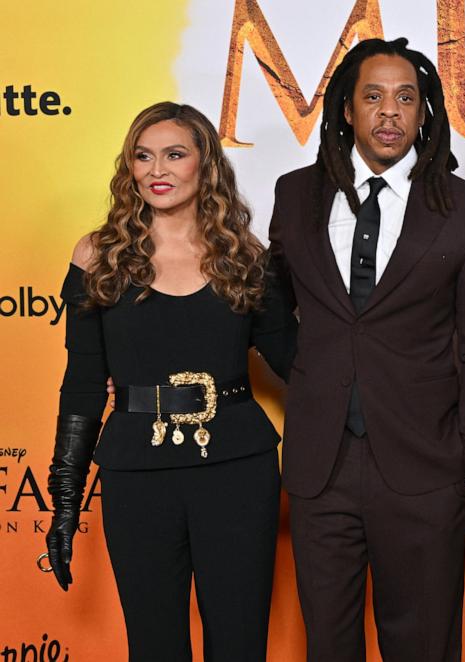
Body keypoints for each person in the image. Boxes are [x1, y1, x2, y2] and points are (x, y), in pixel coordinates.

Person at [267, 37, 465, 661]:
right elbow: (270, 311)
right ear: (347, 109)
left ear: (424, 111)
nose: (390, 112)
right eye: (373, 96)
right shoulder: (294, 195)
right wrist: (317, 374)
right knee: (328, 646)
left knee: (423, 645)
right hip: (322, 466)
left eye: (406, 98)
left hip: (424, 464)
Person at [43, 102, 297, 661]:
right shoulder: (98, 257)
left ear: (205, 166)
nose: (157, 169)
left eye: (174, 154)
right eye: (143, 155)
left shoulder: (247, 258)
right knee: (154, 646)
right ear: (129, 168)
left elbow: (297, 365)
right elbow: (83, 385)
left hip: (237, 470)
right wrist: (65, 502)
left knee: (239, 643)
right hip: (137, 473)